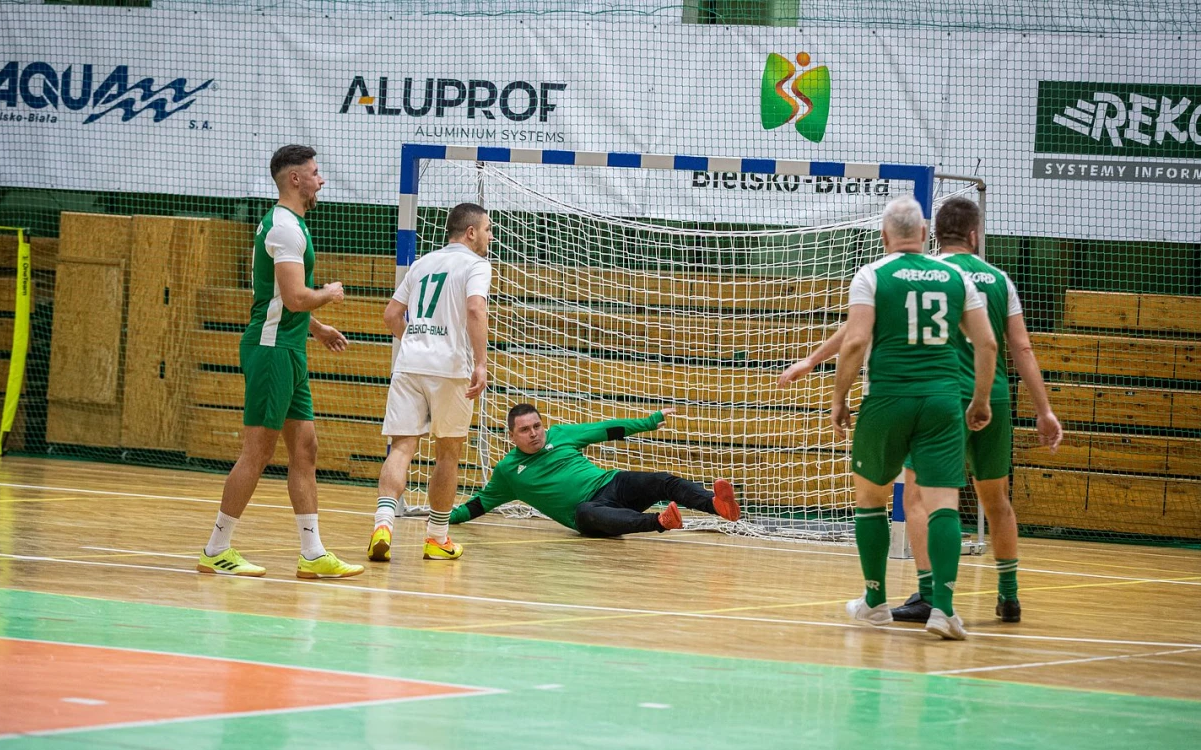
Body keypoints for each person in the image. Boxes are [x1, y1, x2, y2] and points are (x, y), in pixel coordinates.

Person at [781, 196, 1062, 625]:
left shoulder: (888, 274)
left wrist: (818, 368)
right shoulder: (986, 279)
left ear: (928, 234)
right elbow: (1012, 347)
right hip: (977, 398)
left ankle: (916, 595)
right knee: (989, 500)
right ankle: (999, 597)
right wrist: (1036, 408)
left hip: (915, 395)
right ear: (973, 235)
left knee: (908, 499)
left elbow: (857, 332)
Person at [829, 196, 998, 640]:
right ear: (924, 235)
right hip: (943, 401)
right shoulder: (956, 276)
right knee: (942, 502)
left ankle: (874, 601)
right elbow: (987, 344)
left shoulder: (872, 275)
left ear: (884, 236)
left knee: (871, 498)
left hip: (887, 399)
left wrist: (839, 398)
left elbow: (854, 342)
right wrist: (980, 400)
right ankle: (943, 610)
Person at [197, 145, 364, 579]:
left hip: (289, 348)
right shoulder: (285, 227)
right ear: (295, 179)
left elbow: (281, 297)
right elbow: (293, 297)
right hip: (271, 349)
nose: (320, 180)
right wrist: (328, 294)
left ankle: (312, 553)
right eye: (315, 172)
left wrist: (316, 328)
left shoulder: (291, 224)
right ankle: (216, 548)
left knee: (305, 448)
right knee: (257, 452)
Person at [367, 202, 492, 562]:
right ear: (471, 232)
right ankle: (436, 537)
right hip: (451, 368)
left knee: (401, 447)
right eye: (487, 230)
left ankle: (384, 523)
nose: (490, 236)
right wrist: (481, 363)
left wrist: (414, 342)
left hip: (410, 365)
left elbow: (391, 314)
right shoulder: (476, 265)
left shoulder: (421, 264)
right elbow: (475, 309)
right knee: (447, 453)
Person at [449, 403, 741, 537]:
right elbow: (479, 504)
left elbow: (605, 429)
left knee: (663, 481)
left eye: (537, 426)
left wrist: (649, 422)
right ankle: (660, 522)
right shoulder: (508, 472)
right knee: (588, 511)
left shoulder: (561, 434)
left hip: (610, 483)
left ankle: (717, 506)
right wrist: (443, 518)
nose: (534, 433)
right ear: (512, 436)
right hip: (588, 514)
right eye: (525, 430)